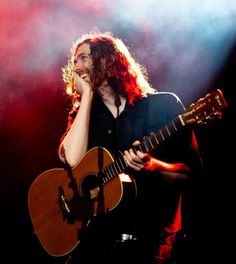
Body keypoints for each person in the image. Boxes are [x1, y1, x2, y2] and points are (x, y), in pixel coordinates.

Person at [58, 31, 202, 264]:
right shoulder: (85, 118)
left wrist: (153, 165)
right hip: (95, 244)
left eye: (84, 58)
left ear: (107, 60)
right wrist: (85, 99)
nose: (77, 67)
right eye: (74, 61)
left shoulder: (163, 106)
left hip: (148, 242)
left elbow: (191, 174)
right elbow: (72, 159)